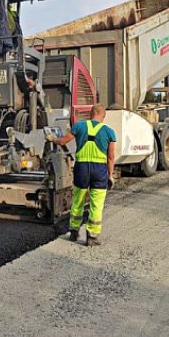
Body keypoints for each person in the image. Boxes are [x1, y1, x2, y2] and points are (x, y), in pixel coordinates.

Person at [47, 105, 117, 246]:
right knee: (96, 204)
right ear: (103, 116)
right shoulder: (109, 132)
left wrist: (52, 138)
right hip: (99, 170)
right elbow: (111, 157)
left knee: (78, 200)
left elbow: (62, 141)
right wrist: (110, 175)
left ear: (90, 114)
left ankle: (73, 231)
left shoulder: (79, 126)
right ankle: (92, 236)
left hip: (82, 168)